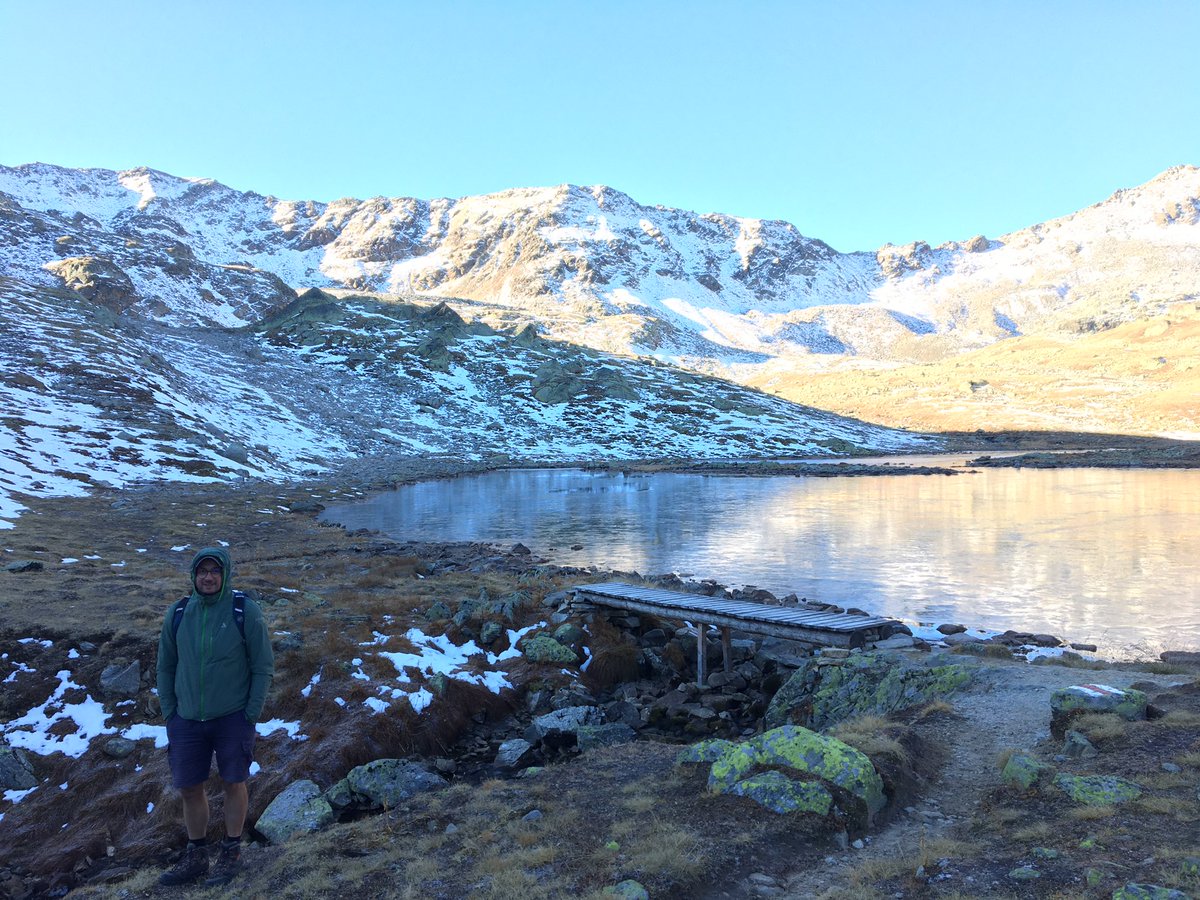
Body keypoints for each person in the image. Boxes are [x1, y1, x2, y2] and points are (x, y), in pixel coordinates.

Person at [155, 547, 274, 887]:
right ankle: (196, 855)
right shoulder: (178, 613)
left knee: (233, 782)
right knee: (190, 787)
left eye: (214, 571)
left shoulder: (243, 611)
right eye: (202, 571)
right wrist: (170, 713)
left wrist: (251, 713)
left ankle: (232, 851)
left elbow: (263, 666)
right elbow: (165, 666)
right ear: (193, 576)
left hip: (232, 716)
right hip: (187, 719)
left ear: (225, 575)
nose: (207, 577)